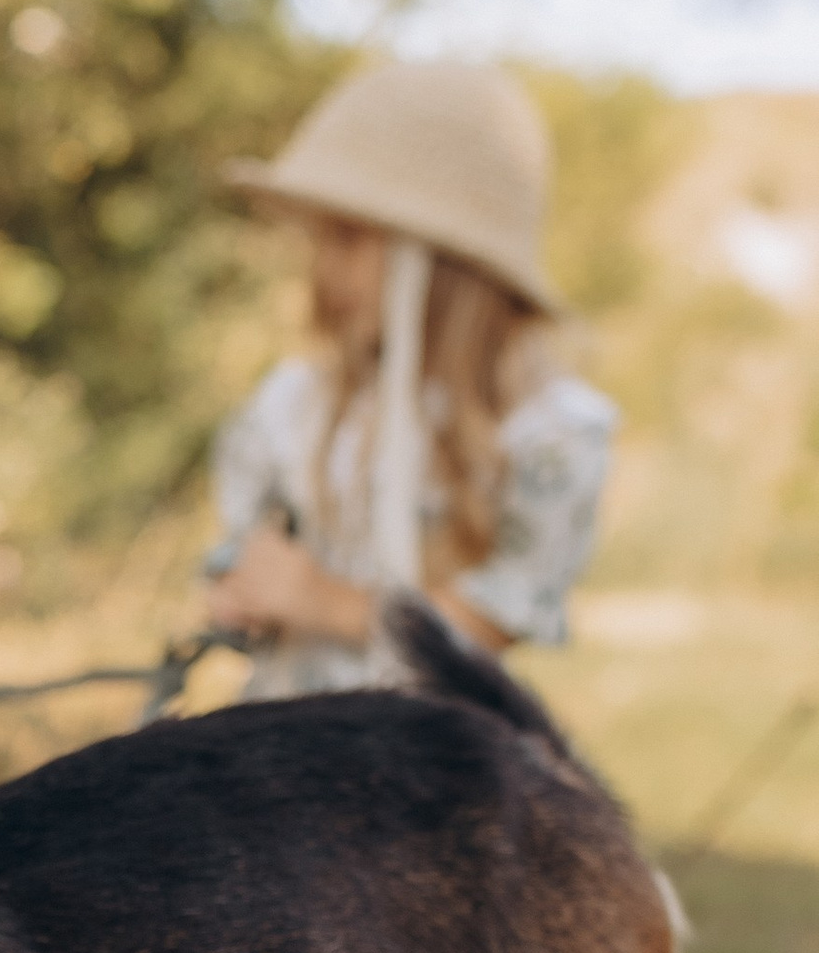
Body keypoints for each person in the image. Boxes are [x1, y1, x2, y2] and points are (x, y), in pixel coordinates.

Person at [199, 59, 616, 696]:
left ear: (444, 264)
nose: (324, 268)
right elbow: (246, 543)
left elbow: (502, 614)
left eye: (348, 236)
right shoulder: (299, 403)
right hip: (282, 742)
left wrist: (329, 602)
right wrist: (240, 588)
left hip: (426, 759)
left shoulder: (547, 431)